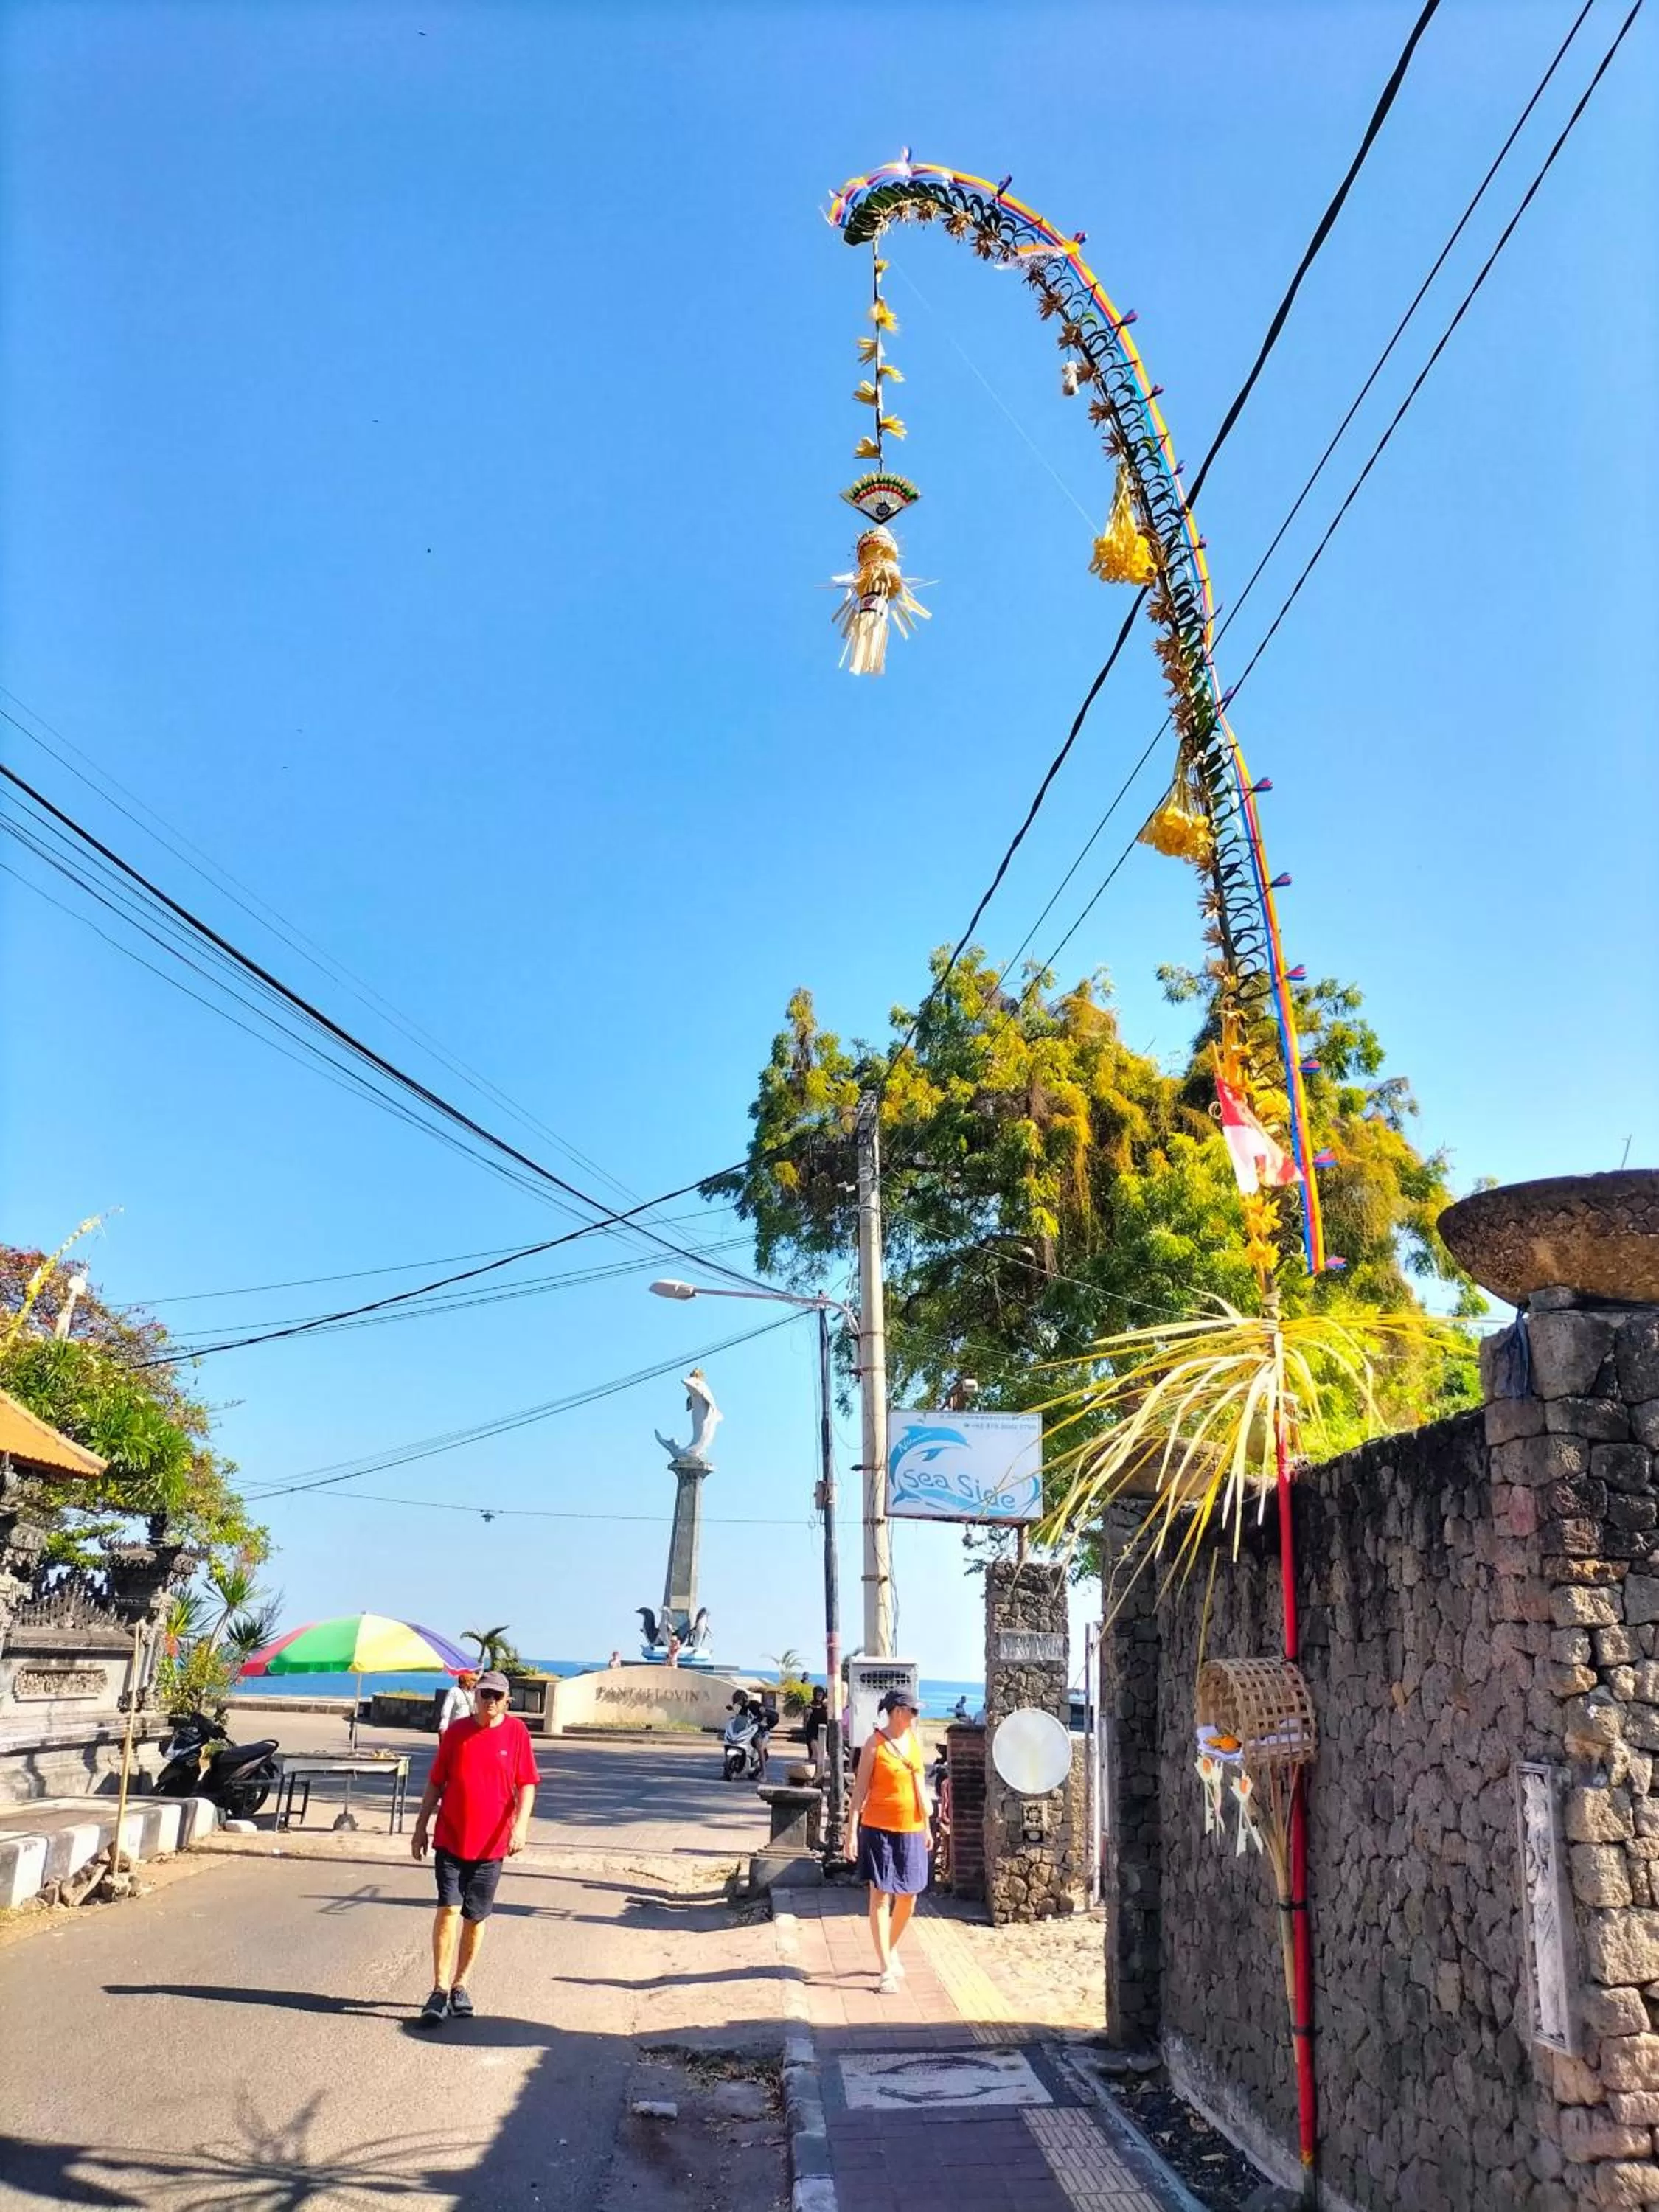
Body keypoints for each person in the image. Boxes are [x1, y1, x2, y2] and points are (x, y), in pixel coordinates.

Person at [410, 1669, 539, 2026]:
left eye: (497, 1696)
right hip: (451, 1837)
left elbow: (527, 1784)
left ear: (507, 1700)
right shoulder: (457, 1732)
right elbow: (436, 1782)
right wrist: (420, 1828)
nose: (490, 1701)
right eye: (485, 1695)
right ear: (476, 1696)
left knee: (475, 1917)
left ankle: (460, 1985)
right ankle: (439, 1989)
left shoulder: (517, 1733)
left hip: (491, 1844)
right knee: (448, 1909)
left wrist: (521, 1827)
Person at [846, 1686, 931, 1993]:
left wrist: (927, 1827)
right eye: (913, 1711)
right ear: (897, 1712)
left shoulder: (914, 1741)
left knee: (909, 1896)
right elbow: (859, 1792)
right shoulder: (875, 1744)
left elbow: (919, 1786)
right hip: (878, 1828)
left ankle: (890, 1947)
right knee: (880, 1896)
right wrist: (850, 1833)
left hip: (912, 1828)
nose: (915, 1716)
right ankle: (885, 1968)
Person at [437, 1669, 478, 1733]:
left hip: (469, 1728)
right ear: (466, 1681)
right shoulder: (454, 1691)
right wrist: (443, 1726)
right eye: (473, 1680)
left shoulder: (473, 1693)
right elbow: (446, 1710)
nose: (475, 1683)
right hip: (455, 1727)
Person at [802, 1685, 830, 1768]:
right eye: (818, 1695)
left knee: (820, 1753)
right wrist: (807, 1714)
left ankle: (818, 1769)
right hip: (812, 1730)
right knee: (815, 1751)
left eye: (821, 1695)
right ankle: (814, 1768)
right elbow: (806, 1721)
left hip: (823, 1731)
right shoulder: (810, 1705)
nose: (820, 1697)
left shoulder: (825, 1706)